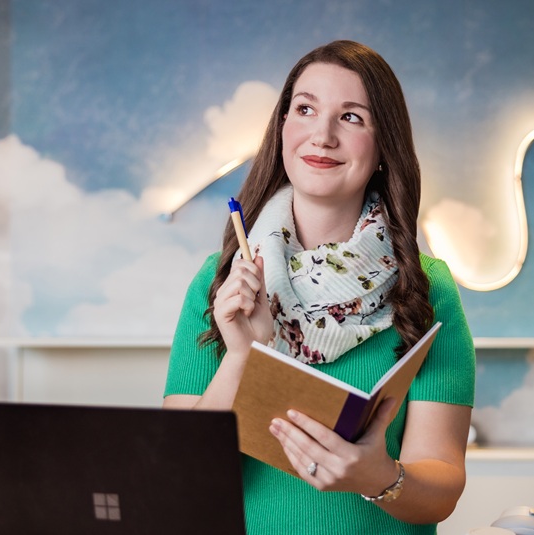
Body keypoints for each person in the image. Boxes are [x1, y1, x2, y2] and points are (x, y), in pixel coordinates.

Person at [163, 40, 475, 535]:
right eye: (305, 109)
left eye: (351, 117)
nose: (322, 135)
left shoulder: (429, 288)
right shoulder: (220, 279)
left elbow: (442, 489)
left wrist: (379, 476)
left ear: (382, 148)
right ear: (283, 129)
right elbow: (176, 475)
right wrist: (245, 357)